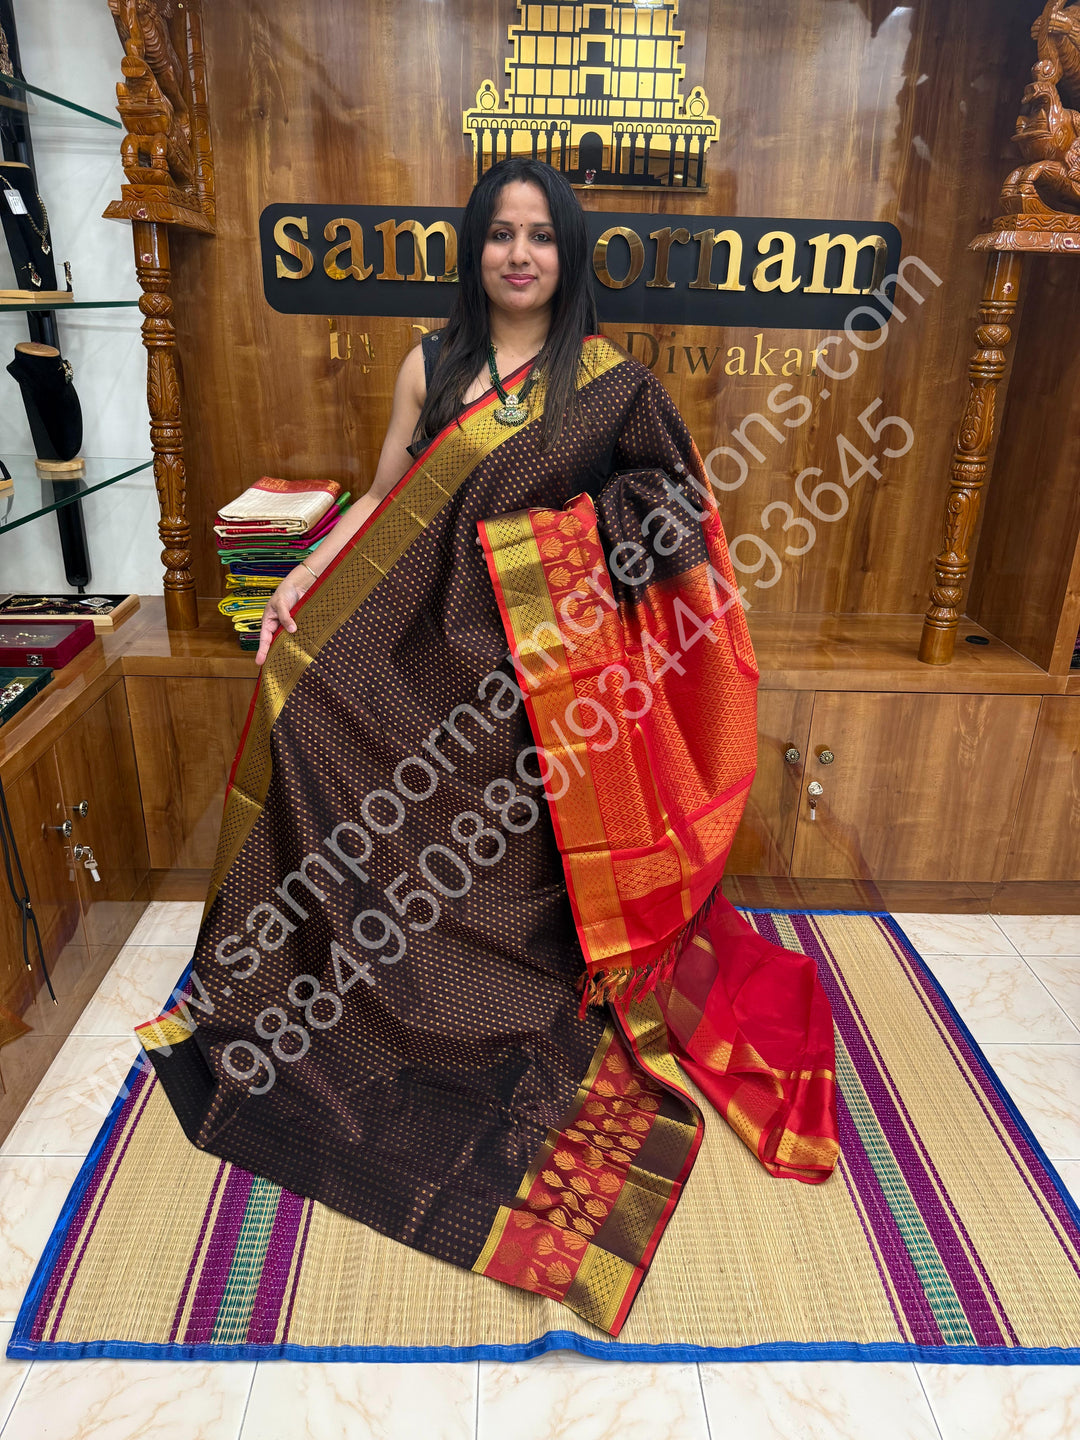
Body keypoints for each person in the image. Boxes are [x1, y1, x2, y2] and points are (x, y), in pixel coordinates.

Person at [138, 158, 838, 1338]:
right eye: (501, 234)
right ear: (475, 250)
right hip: (420, 638)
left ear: (568, 256)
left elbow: (678, 517)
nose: (520, 254)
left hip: (543, 671)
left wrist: (552, 559)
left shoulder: (610, 386)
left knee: (497, 786)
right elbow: (382, 495)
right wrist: (301, 579)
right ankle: (314, 977)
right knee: (307, 711)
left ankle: (491, 991)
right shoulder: (433, 363)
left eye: (542, 237)